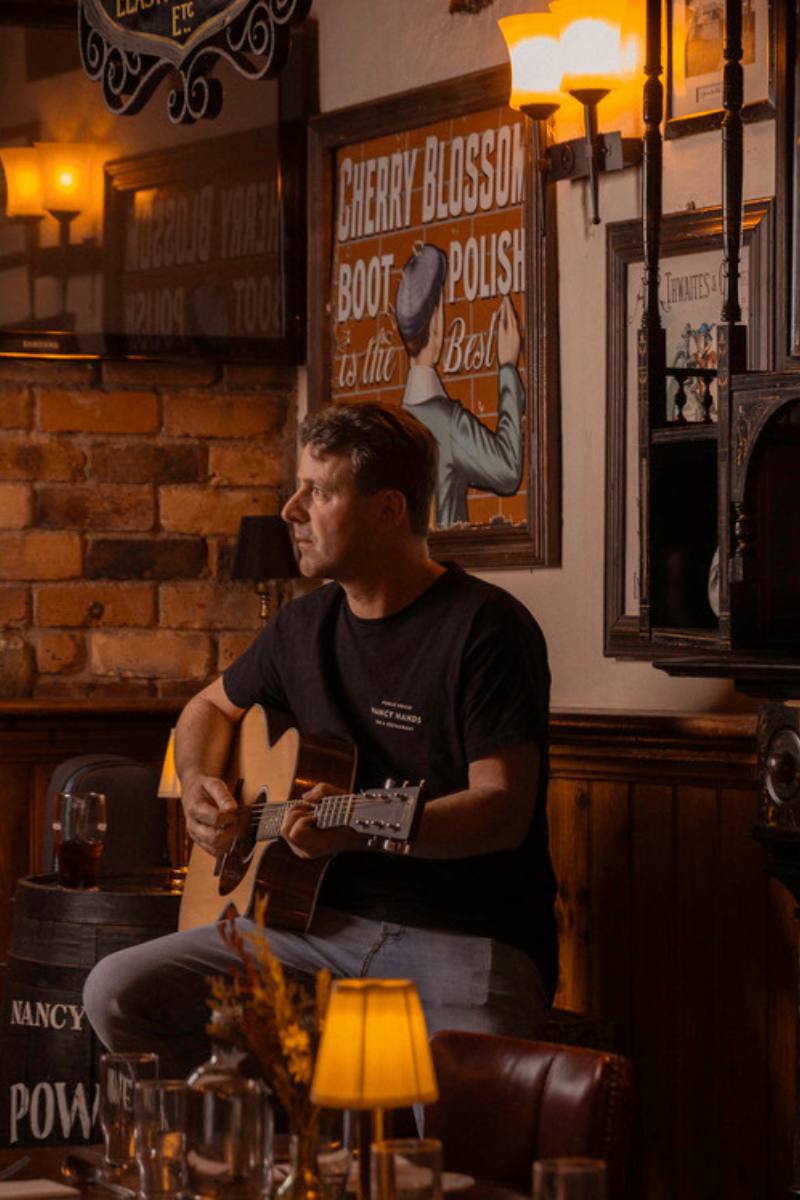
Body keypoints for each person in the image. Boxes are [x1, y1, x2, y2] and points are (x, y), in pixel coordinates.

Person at [83, 402, 556, 1077]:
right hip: (307, 931)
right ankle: (273, 1145)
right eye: (299, 485)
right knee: (116, 990)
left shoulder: (487, 629)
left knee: (449, 1142)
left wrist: (359, 828)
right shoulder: (301, 627)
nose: (291, 509)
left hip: (463, 937)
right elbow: (206, 709)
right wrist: (197, 785)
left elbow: (502, 810)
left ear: (389, 511)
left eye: (321, 490)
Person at [397, 243, 526, 528]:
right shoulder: (445, 422)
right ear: (436, 322)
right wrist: (507, 368)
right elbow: (507, 470)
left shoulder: (398, 419)